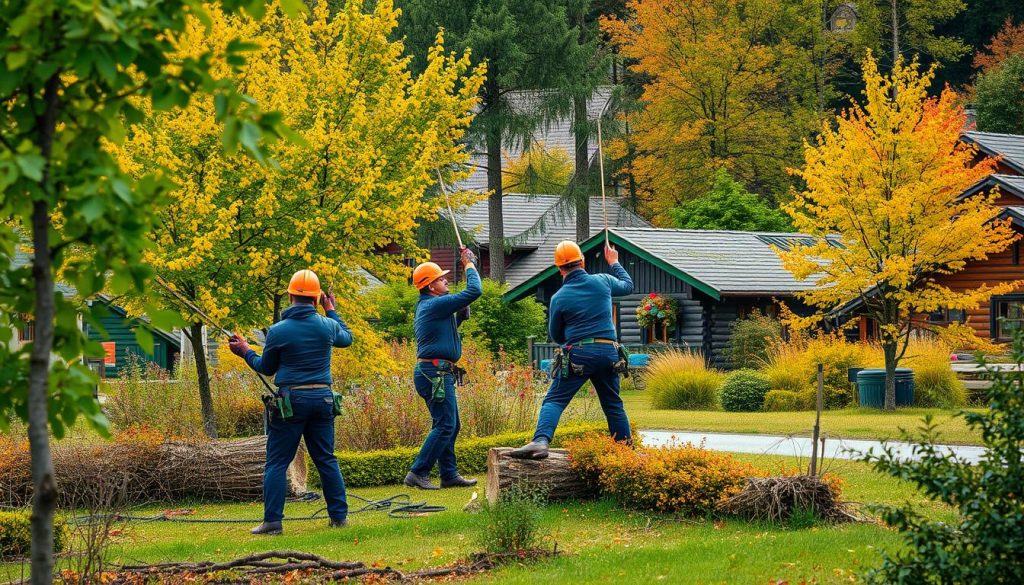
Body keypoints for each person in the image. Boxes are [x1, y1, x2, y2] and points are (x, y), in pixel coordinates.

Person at [228, 269, 352, 535]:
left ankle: (273, 522)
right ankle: (339, 517)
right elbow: (347, 338)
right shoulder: (328, 325)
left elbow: (266, 367)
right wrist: (332, 310)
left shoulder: (278, 331)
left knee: (277, 461)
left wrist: (245, 351)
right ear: (317, 298)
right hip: (322, 398)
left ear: (291, 295)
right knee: (326, 459)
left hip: (290, 400)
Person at [509, 241, 633, 460]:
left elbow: (555, 335)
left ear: (559, 268)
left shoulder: (559, 297)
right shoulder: (602, 281)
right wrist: (614, 262)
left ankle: (540, 441)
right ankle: (625, 451)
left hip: (579, 354)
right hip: (609, 352)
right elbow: (627, 286)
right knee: (613, 403)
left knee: (554, 400)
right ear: (582, 261)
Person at [404, 247, 482, 490]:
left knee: (450, 424)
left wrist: (459, 317)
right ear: (430, 286)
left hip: (435, 372)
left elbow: (442, 336)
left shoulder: (432, 306)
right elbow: (474, 290)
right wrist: (468, 264)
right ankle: (418, 472)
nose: (445, 279)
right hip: (434, 373)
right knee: (446, 424)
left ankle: (449, 474)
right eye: (440, 278)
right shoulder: (433, 305)